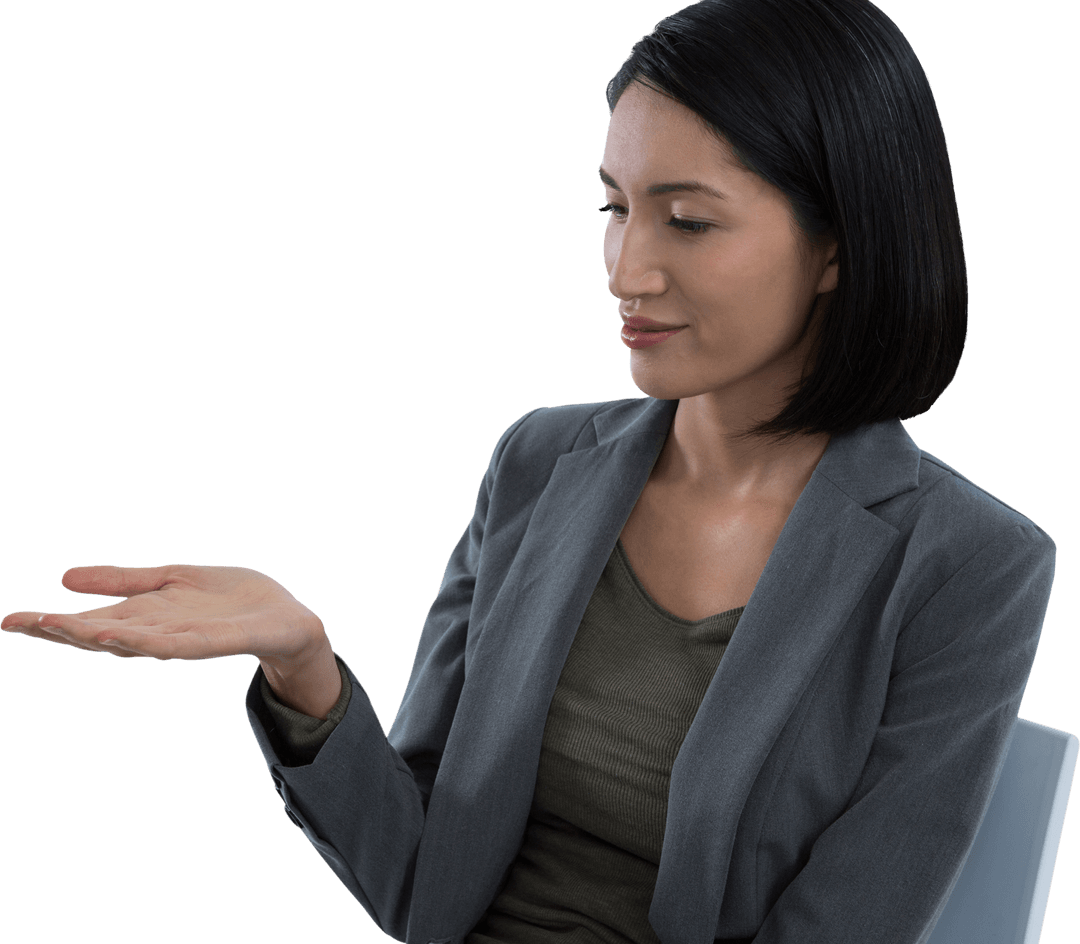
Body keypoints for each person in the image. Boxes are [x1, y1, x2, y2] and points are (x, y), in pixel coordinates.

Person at [1, 1, 1058, 943]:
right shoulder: (539, 462)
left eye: (688, 220)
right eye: (613, 207)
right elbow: (420, 879)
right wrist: (304, 666)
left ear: (838, 244)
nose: (627, 268)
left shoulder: (969, 566)